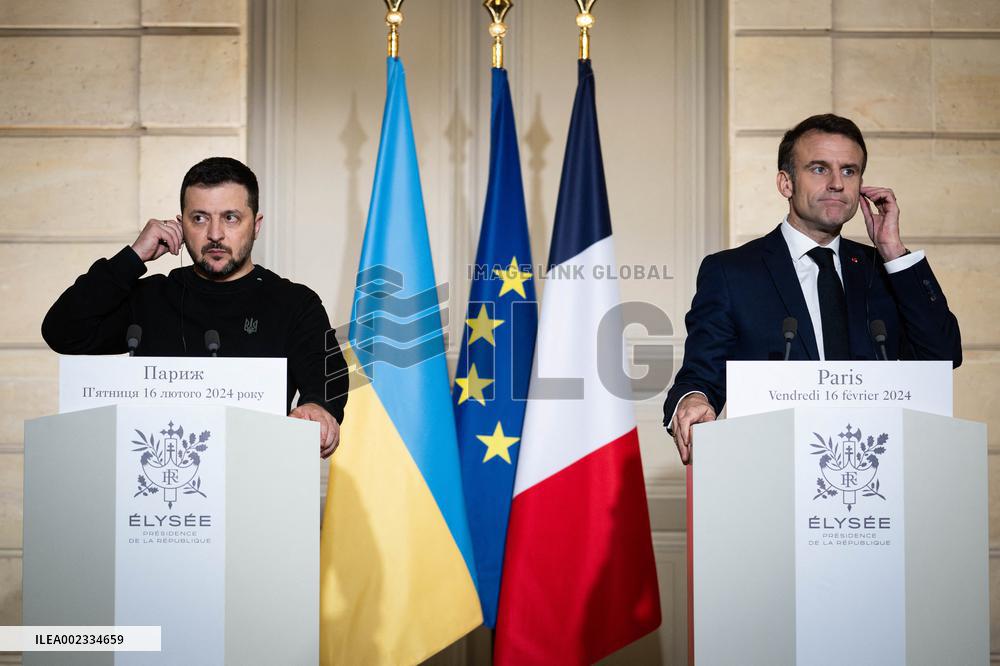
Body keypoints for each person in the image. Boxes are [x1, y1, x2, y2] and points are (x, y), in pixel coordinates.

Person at [663, 114, 961, 463]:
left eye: (849, 171)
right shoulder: (732, 272)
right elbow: (700, 374)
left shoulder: (885, 270)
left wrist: (893, 251)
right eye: (819, 169)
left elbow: (942, 356)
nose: (837, 183)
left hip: (878, 470)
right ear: (786, 183)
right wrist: (693, 401)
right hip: (772, 469)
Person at [42, 157, 348, 458]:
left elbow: (326, 379)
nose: (215, 234)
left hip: (254, 483)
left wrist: (317, 409)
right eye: (199, 218)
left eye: (230, 218)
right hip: (154, 483)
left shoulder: (294, 303)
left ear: (255, 226)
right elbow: (63, 332)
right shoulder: (150, 298)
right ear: (180, 226)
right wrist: (132, 258)